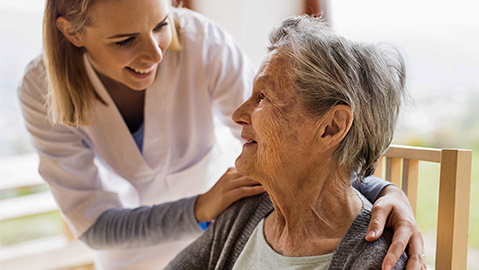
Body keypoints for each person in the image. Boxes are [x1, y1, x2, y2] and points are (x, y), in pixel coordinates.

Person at [17, 0, 424, 269]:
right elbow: (95, 225)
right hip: (143, 250)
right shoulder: (40, 90)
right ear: (72, 33)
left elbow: (303, 140)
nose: (156, 53)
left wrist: (382, 190)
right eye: (125, 40)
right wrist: (201, 210)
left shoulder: (200, 42)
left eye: (161, 25)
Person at [166, 15, 411, 270]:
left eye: (263, 97)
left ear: (331, 128)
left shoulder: (376, 261)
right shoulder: (244, 211)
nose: (238, 115)